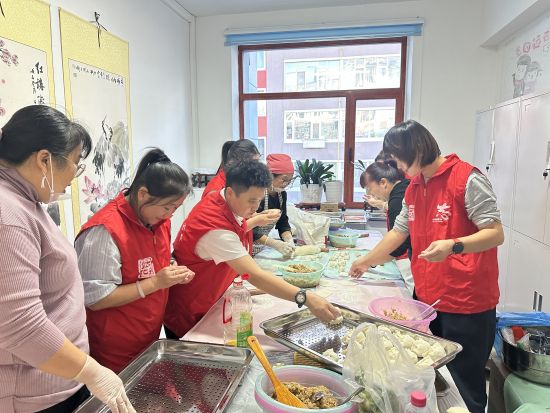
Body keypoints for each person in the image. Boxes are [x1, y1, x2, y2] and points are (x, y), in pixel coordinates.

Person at [349, 120, 504, 413]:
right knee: (430, 382)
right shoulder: (414, 187)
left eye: (397, 159)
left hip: (467, 303)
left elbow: (495, 233)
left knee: (464, 387)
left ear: (417, 149)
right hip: (427, 302)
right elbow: (399, 232)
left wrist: (453, 245)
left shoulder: (466, 178)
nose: (396, 166)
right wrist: (365, 261)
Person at [0, 105, 135, 412]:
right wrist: (91, 371)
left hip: (61, 379)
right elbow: (21, 326)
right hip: (34, 395)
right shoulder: (8, 214)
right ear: (44, 159)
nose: (75, 174)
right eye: (75, 163)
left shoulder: (26, 202)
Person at [164, 160, 340, 338]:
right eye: (251, 201)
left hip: (209, 299)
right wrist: (306, 298)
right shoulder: (215, 227)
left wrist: (256, 218)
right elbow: (255, 275)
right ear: (230, 192)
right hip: (189, 312)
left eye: (259, 200)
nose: (255, 207)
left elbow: (237, 228)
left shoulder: (222, 200)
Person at [75, 148, 195, 373]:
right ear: (143, 194)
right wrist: (156, 282)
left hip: (148, 337)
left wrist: (172, 270)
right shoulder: (104, 231)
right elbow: (96, 298)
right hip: (113, 349)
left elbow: (154, 261)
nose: (170, 215)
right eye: (167, 207)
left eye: (175, 208)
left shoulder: (158, 221)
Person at [360, 160, 414, 293]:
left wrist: (368, 261)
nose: (370, 193)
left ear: (383, 182)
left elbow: (398, 243)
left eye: (369, 188)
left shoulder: (398, 198)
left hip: (409, 261)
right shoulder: (401, 190)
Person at [252, 153, 295, 258]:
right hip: (247, 246)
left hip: (260, 249)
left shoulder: (282, 194)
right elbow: (249, 228)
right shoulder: (257, 193)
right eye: (284, 179)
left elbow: (282, 222)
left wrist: (289, 240)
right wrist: (274, 244)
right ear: (270, 175)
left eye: (290, 181)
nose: (286, 184)